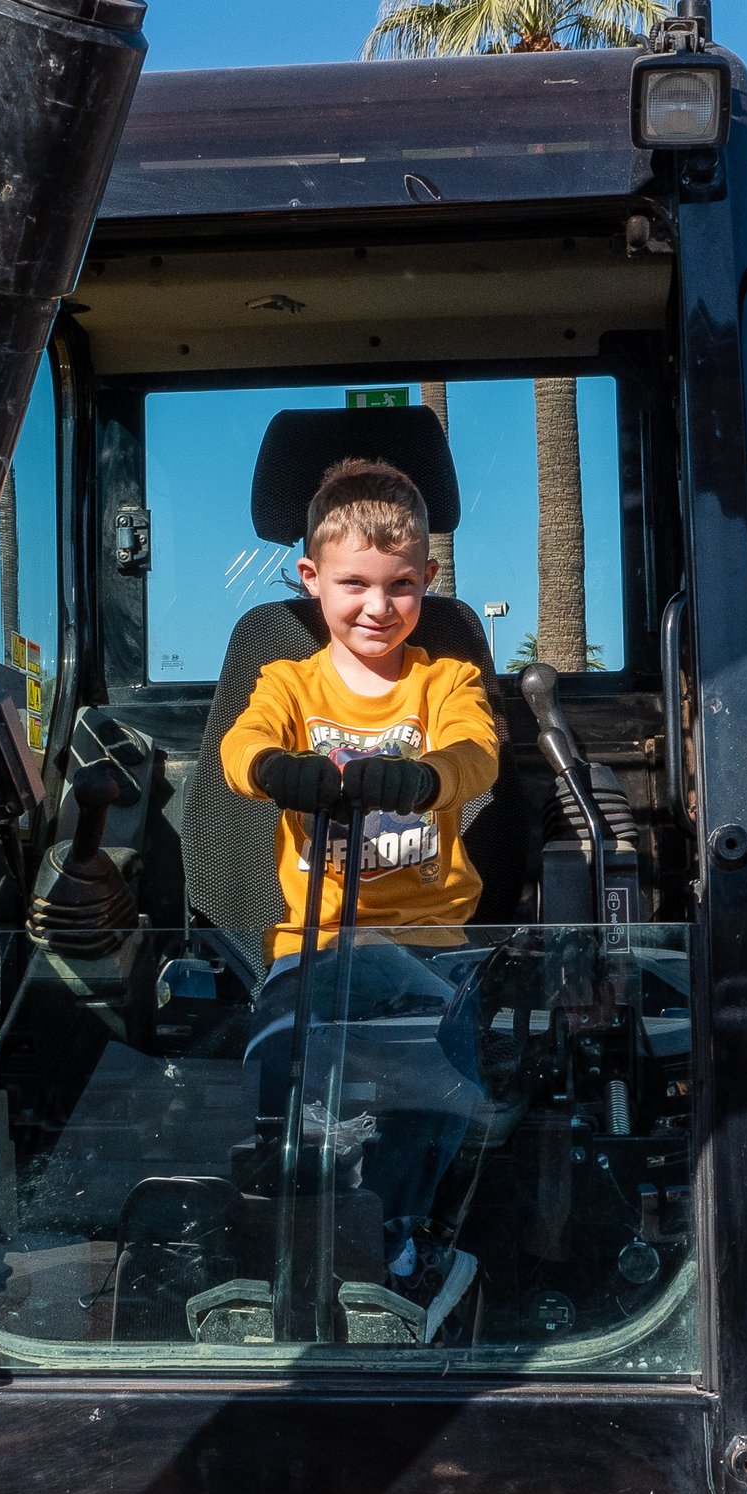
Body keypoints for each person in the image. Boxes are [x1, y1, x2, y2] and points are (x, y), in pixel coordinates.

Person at [221, 457, 500, 1308]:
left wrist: (425, 779)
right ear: (312, 579)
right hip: (315, 946)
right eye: (354, 584)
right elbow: (241, 747)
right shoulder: (287, 682)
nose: (379, 607)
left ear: (428, 581)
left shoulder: (442, 680)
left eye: (402, 586)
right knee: (280, 1073)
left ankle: (407, 1251)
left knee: (438, 1084)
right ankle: (284, 1244)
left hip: (430, 952)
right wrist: (276, 768)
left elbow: (474, 750)